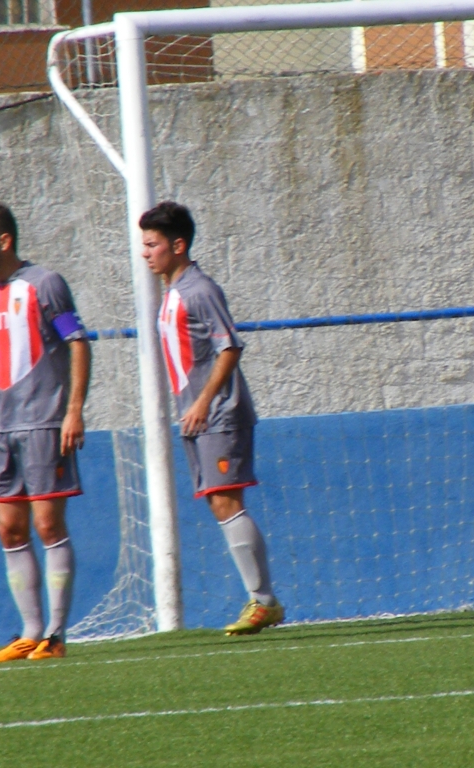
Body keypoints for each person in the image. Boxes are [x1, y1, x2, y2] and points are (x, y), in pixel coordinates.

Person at [0, 203, 91, 661]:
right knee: (9, 530)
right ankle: (30, 631)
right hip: (1, 428)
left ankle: (55, 635)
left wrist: (73, 410)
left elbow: (77, 343)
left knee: (48, 524)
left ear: (4, 241)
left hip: (45, 423)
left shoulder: (45, 284)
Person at [140, 200, 283, 636]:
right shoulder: (172, 293)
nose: (145, 253)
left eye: (152, 245)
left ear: (178, 246)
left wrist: (203, 401)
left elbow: (229, 347)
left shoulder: (199, 290)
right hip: (198, 417)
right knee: (219, 502)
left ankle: (264, 602)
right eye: (144, 245)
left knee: (225, 500)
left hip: (219, 412)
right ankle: (262, 601)